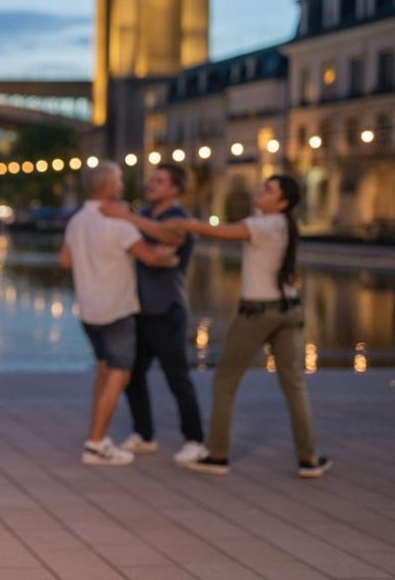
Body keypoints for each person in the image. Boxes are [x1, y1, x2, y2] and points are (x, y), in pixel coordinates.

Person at [169, 175, 331, 478]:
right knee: (294, 385)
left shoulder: (265, 225)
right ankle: (309, 458)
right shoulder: (284, 223)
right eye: (262, 185)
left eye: (269, 190)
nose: (260, 189)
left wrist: (183, 223)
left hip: (257, 313)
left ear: (282, 202)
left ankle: (217, 455)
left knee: (225, 382)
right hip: (289, 311)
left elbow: (220, 231)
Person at [60, 161, 178, 466]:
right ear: (109, 187)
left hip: (89, 312)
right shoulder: (119, 223)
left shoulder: (76, 221)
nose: (122, 184)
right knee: (118, 375)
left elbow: (65, 261)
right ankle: (96, 444)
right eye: (120, 180)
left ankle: (96, 435)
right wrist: (167, 257)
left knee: (103, 370)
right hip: (117, 311)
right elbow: (150, 256)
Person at [98, 163, 207, 464]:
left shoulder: (179, 220)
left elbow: (168, 240)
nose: (151, 185)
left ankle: (195, 440)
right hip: (138, 309)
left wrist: (123, 215)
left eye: (159, 181)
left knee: (177, 378)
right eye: (152, 180)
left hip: (167, 310)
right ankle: (144, 435)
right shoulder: (144, 216)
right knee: (131, 376)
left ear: (175, 189)